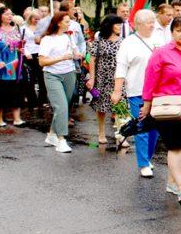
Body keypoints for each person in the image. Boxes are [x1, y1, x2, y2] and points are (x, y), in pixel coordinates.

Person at [142, 16, 181, 202]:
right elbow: (150, 79)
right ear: (172, 32)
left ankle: (172, 182)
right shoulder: (161, 53)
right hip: (168, 108)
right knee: (175, 146)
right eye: (178, 30)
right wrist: (146, 104)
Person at [113, 10, 164, 175]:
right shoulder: (128, 43)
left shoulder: (159, 40)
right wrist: (117, 91)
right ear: (138, 25)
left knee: (155, 128)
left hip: (158, 91)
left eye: (152, 21)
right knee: (141, 126)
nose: (152, 25)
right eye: (148, 22)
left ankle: (147, 158)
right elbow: (121, 67)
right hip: (137, 90)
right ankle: (143, 164)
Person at [39, 12, 82, 152]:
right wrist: (62, 58)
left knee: (65, 106)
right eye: (67, 21)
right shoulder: (47, 39)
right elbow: (42, 61)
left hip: (69, 73)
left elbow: (75, 53)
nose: (69, 24)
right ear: (58, 23)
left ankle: (51, 134)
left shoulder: (68, 36)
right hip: (52, 75)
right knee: (61, 106)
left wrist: (78, 55)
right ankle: (61, 140)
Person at [0, 7, 25, 127]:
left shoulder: (16, 28)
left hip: (14, 65)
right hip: (0, 67)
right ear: (0, 15)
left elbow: (16, 45)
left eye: (11, 14)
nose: (9, 16)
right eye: (6, 14)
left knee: (15, 92)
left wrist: (20, 48)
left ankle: (17, 118)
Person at [88, 15, 124, 145]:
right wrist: (92, 78)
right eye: (117, 24)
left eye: (121, 24)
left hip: (118, 78)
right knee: (102, 106)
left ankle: (121, 135)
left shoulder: (123, 41)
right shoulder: (100, 40)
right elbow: (92, 59)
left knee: (120, 106)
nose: (120, 27)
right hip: (102, 77)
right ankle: (101, 132)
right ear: (110, 25)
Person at [21, 10, 47, 108]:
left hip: (41, 54)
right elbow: (22, 42)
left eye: (39, 19)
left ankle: (42, 100)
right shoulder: (24, 28)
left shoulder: (42, 28)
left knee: (42, 78)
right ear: (31, 18)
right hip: (29, 54)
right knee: (30, 79)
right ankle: (32, 101)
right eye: (35, 19)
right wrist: (26, 53)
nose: (37, 21)